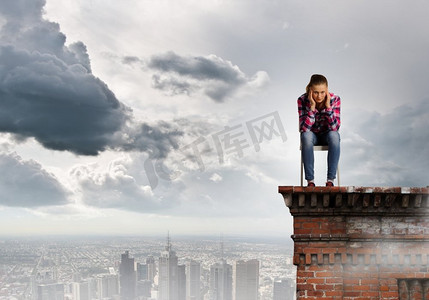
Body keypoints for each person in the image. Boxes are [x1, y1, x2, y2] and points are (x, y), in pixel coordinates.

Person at [298, 74, 340, 187]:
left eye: (322, 92)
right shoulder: (302, 100)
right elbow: (304, 129)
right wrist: (312, 108)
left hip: (328, 135)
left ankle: (330, 180)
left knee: (334, 136)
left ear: (327, 89)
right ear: (311, 90)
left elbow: (335, 128)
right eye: (316, 92)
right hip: (312, 136)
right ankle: (310, 182)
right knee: (306, 136)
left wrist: (328, 108)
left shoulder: (335, 99)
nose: (319, 96)